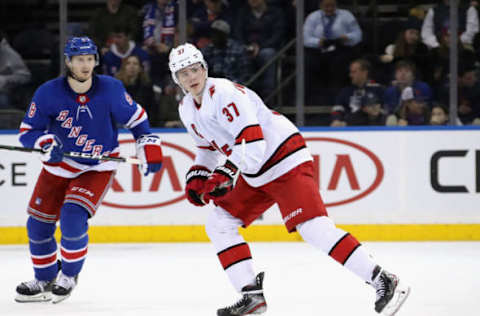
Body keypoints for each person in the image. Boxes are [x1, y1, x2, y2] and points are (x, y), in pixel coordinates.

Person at [168, 43, 410, 316]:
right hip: (254, 170)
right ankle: (251, 296)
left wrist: (225, 174)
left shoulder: (223, 93)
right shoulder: (187, 108)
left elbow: (252, 140)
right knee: (218, 222)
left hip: (284, 159)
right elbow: (208, 149)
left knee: (313, 228)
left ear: (204, 68)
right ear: (177, 80)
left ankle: (383, 279)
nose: (191, 77)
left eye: (194, 69)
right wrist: (198, 176)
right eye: (183, 73)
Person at [14, 37, 163, 304]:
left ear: (96, 61)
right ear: (68, 62)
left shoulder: (111, 89)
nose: (85, 65)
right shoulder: (48, 92)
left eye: (89, 59)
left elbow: (138, 120)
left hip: (98, 166)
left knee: (72, 217)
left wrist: (147, 144)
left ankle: (69, 275)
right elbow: (27, 132)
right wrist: (45, 143)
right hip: (59, 166)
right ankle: (45, 278)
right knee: (37, 225)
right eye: (79, 59)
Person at [303, 0, 362, 104]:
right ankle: (313, 98)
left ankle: (337, 97)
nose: (329, 8)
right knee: (308, 62)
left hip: (340, 47)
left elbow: (358, 34)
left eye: (332, 6)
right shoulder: (313, 17)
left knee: (340, 63)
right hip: (318, 49)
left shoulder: (346, 15)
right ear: (320, 5)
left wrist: (348, 37)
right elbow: (305, 38)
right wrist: (317, 42)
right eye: (326, 6)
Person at [0, 30, 32, 109]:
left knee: (2, 101)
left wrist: (5, 79)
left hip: (4, 92)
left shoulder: (9, 54)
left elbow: (26, 76)